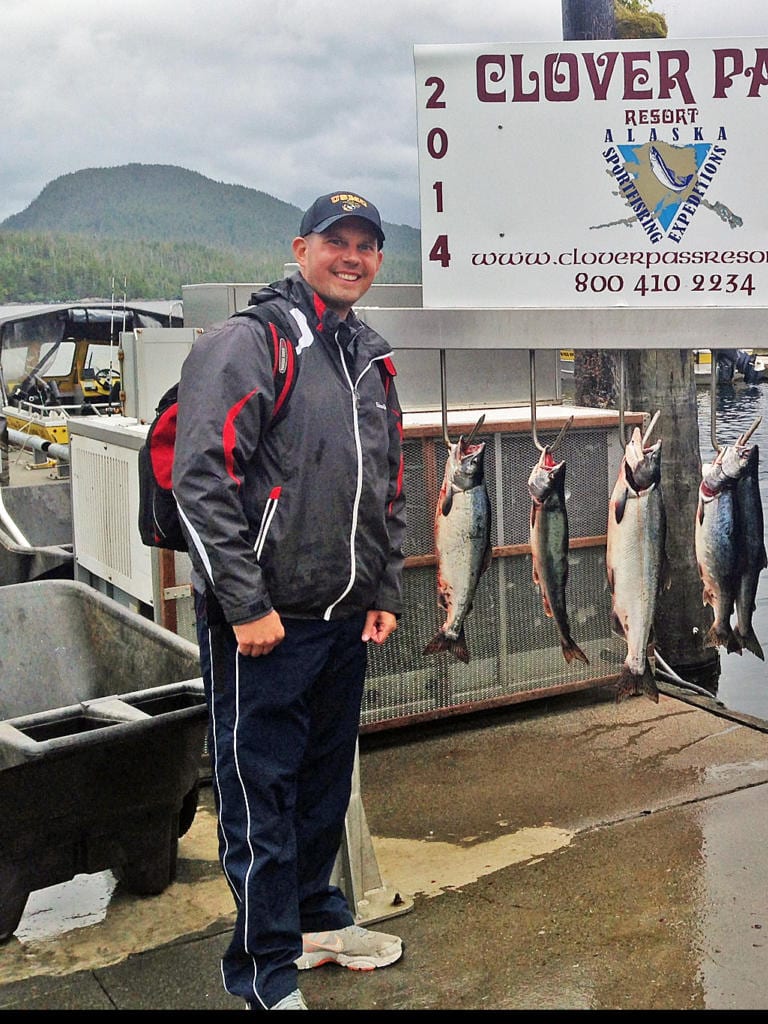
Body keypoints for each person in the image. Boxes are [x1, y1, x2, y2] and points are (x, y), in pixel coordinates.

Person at [173, 191, 407, 1010]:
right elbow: (198, 480)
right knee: (259, 803)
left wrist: (383, 587)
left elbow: (386, 485)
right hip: (263, 628)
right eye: (335, 241)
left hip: (341, 619)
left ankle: (315, 922)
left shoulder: (367, 355)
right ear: (300, 249)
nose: (352, 256)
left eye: (367, 245)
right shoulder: (247, 343)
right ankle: (264, 978)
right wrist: (243, 605)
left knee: (320, 792)